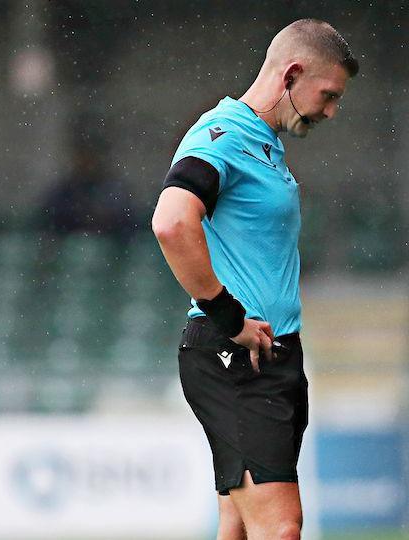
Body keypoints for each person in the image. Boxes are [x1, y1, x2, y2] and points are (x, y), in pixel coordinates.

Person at [151, 19, 357, 540]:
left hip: (270, 355)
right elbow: (172, 221)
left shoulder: (263, 142)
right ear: (290, 74)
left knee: (239, 525)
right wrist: (228, 315)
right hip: (237, 359)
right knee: (281, 527)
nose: (331, 111)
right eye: (327, 94)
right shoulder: (223, 135)